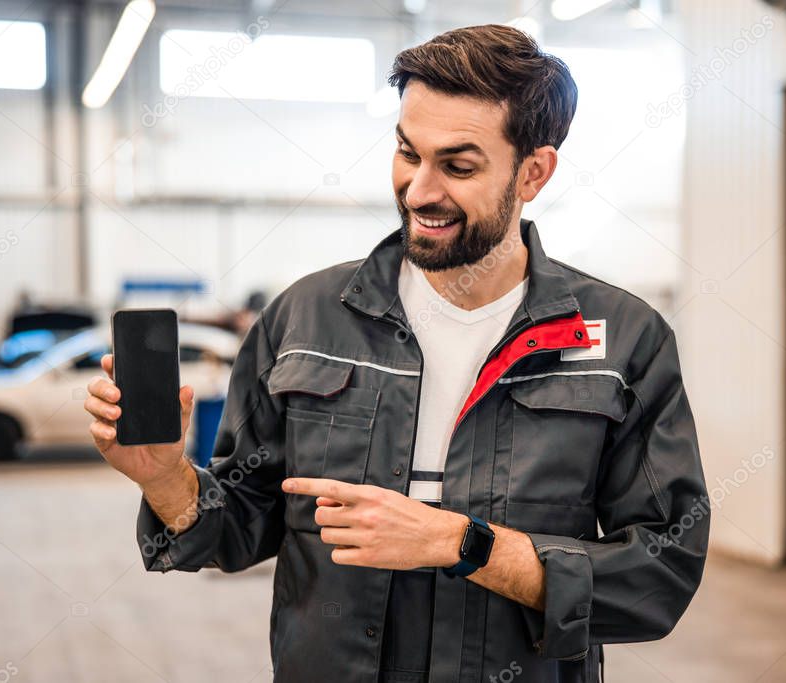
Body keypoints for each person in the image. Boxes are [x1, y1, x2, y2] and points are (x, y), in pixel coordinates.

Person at [85, 24, 708, 683]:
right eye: (408, 152)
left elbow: (658, 574)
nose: (418, 190)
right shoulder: (305, 318)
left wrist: (462, 545)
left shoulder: (622, 341)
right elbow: (241, 522)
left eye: (458, 166)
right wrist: (166, 480)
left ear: (534, 171)